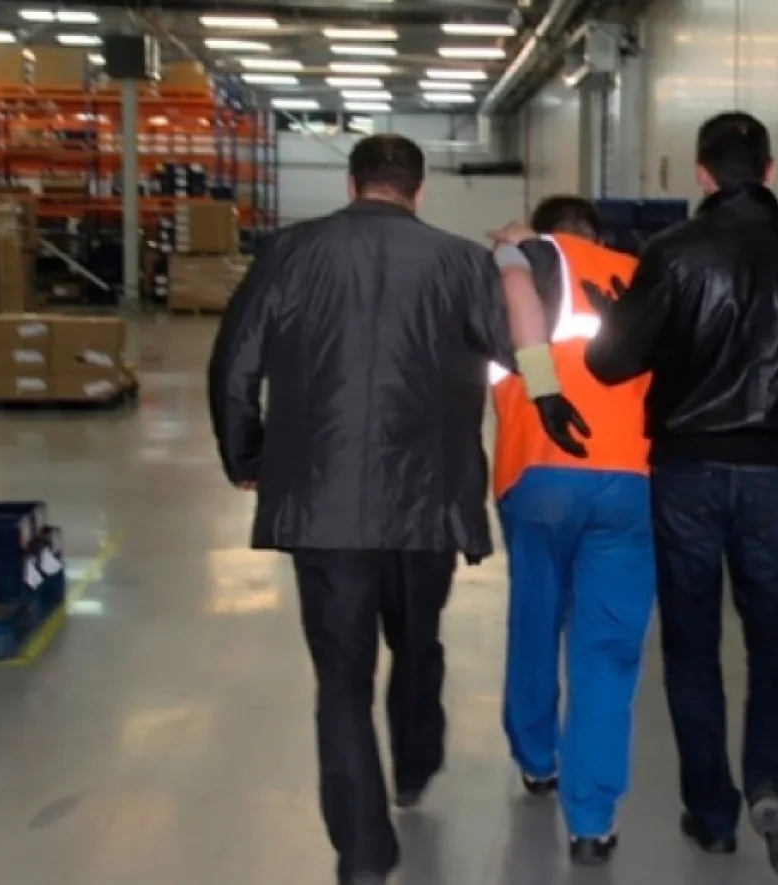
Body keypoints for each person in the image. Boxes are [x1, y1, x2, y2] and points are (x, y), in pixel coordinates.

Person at [207, 134, 587, 885]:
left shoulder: (289, 253)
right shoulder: (459, 262)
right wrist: (532, 256)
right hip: (426, 503)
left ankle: (363, 854)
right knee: (417, 642)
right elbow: (521, 342)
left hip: (322, 506)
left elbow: (234, 361)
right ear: (419, 190)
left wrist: (248, 457)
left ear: (352, 186)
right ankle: (415, 763)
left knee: (341, 682)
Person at [585, 112, 778, 885]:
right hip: (776, 471)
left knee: (692, 640)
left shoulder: (672, 252)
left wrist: (621, 315)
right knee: (774, 631)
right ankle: (773, 784)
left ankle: (712, 811)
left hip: (688, 470)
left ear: (702, 173)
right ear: (770, 169)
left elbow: (610, 363)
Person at [486, 196, 655, 866]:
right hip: (630, 481)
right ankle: (592, 820)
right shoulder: (640, 275)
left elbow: (502, 316)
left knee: (537, 617)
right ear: (598, 236)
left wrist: (510, 245)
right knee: (609, 649)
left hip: (539, 472)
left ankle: (537, 759)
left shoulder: (526, 259)